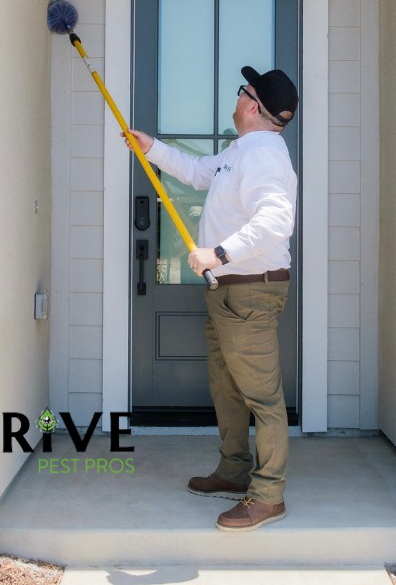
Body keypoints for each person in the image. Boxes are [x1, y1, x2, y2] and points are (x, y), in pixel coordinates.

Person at [122, 65, 299, 532]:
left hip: (251, 290)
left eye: (243, 91)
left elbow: (275, 223)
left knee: (262, 396)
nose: (237, 96)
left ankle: (267, 496)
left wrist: (218, 253)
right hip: (229, 290)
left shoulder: (265, 156)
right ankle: (235, 470)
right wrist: (152, 148)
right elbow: (200, 173)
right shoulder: (240, 152)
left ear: (252, 105)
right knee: (226, 386)